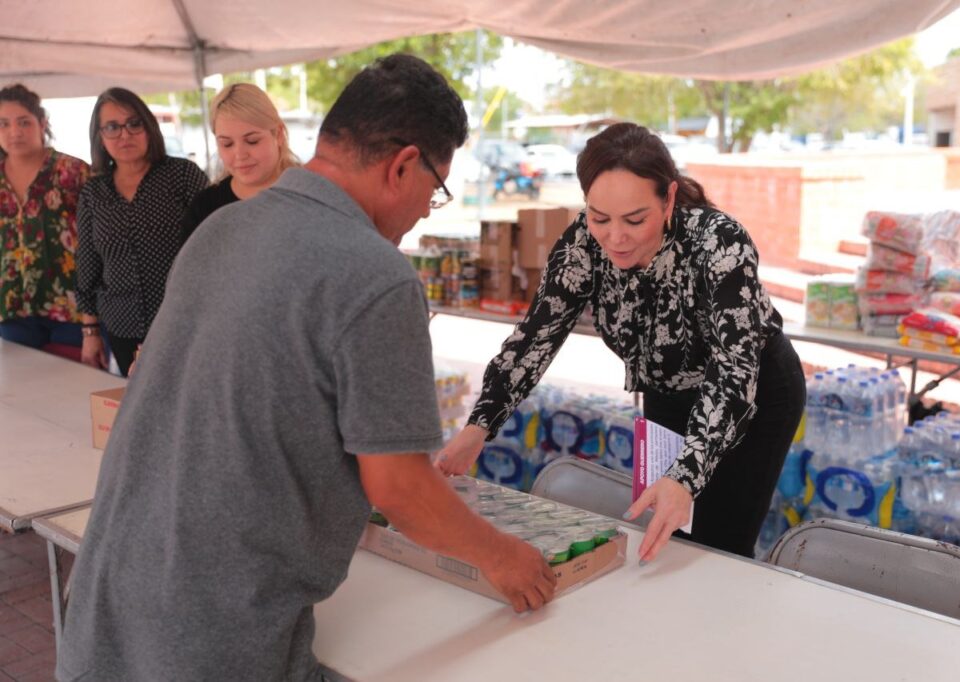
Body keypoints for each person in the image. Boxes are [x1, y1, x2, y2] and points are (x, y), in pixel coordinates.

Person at [57, 54, 555, 682]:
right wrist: (503, 556)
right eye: (434, 191)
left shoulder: (221, 228)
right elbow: (399, 489)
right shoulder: (375, 275)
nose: (426, 209)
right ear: (404, 165)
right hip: (209, 638)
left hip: (103, 605)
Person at [437, 122, 807, 562]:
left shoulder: (719, 244)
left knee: (721, 541)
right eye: (599, 218)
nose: (615, 237)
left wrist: (686, 476)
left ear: (668, 198)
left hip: (752, 390)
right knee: (665, 529)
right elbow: (535, 338)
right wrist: (479, 426)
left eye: (635, 220)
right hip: (666, 392)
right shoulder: (582, 245)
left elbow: (732, 374)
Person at [75, 87, 208, 376]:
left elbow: (214, 247)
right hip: (123, 328)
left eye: (134, 123)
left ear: (149, 127)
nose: (125, 135)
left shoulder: (183, 176)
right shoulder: (93, 193)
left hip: (185, 322)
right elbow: (88, 265)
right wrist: (90, 332)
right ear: (99, 136)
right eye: (112, 127)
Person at [0, 84, 90, 349]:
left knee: (75, 387)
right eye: (3, 124)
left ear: (42, 123)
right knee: (25, 390)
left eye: (23, 122)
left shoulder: (73, 171)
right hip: (12, 309)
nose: (14, 132)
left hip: (74, 309)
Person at [180, 82, 300, 244]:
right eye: (227, 144)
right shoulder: (204, 209)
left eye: (252, 141)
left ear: (278, 135)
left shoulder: (310, 193)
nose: (240, 155)